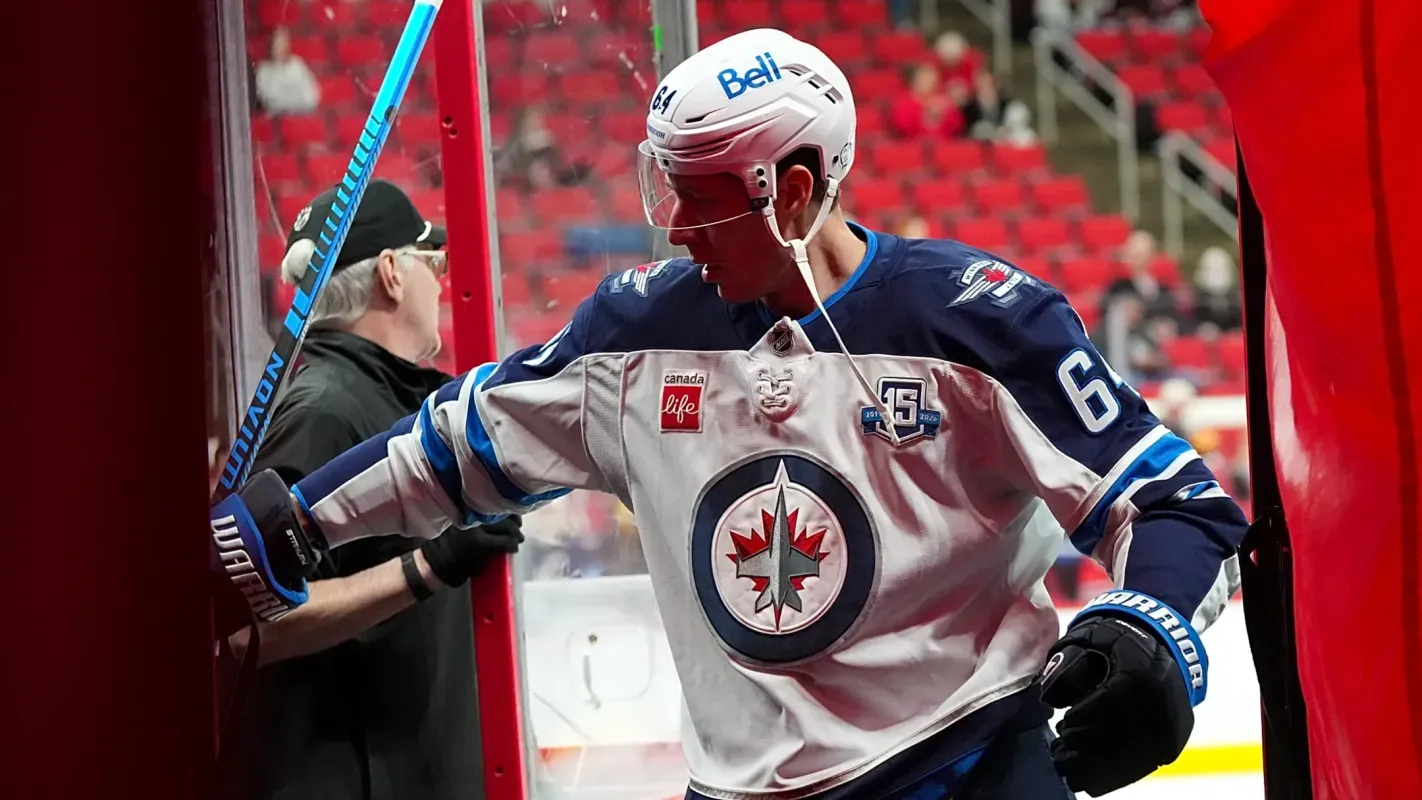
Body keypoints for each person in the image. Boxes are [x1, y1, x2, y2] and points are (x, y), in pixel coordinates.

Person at [214, 29, 1247, 800]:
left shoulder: (979, 320)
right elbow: (457, 440)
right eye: (664, 185)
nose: (671, 227)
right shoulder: (637, 330)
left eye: (699, 197)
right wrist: (292, 523)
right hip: (739, 786)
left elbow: (1174, 501)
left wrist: (1151, 625)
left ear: (795, 191)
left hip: (970, 763)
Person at [222, 179, 524, 800]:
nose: (439, 282)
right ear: (391, 272)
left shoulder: (387, 400)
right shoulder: (325, 410)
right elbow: (249, 627)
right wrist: (426, 567)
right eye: (430, 263)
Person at [254, 26, 320, 116]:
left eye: (283, 43)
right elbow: (270, 101)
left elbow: (311, 98)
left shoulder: (297, 65)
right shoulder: (262, 70)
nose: (279, 47)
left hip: (299, 119)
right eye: (276, 43)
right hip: (275, 121)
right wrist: (294, 96)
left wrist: (286, 100)